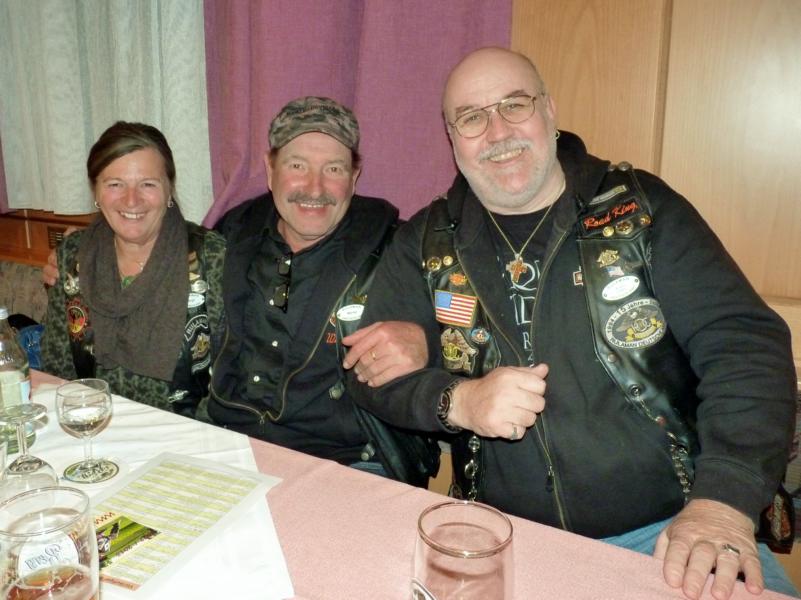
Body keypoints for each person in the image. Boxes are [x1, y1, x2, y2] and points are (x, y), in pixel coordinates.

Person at [348, 47, 798, 599]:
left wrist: (723, 504)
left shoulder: (642, 211)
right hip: (503, 537)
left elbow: (746, 349)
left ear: (549, 110)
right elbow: (368, 375)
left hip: (670, 533)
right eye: (472, 117)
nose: (498, 132)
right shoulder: (425, 240)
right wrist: (457, 400)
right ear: (451, 137)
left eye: (515, 105)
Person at [206, 97, 438, 485]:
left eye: (333, 169)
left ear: (354, 176)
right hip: (228, 447)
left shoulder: (400, 251)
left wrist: (426, 342)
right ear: (270, 169)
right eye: (297, 166)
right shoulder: (231, 234)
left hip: (348, 464)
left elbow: (470, 334)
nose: (314, 188)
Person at [40, 121, 225, 418]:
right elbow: (58, 366)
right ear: (96, 191)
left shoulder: (211, 257)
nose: (131, 200)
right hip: (94, 423)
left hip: (186, 432)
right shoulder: (74, 256)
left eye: (148, 184)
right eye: (115, 184)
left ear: (169, 190)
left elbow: (230, 379)